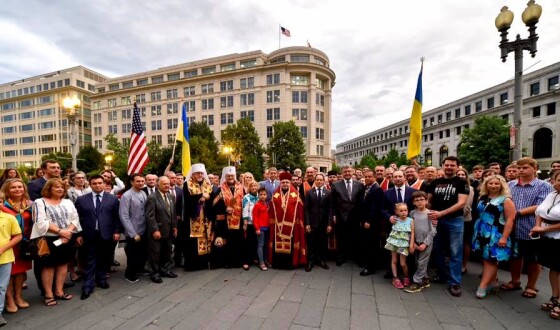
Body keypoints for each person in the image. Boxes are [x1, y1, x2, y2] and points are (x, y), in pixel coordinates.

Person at [502, 157, 552, 298]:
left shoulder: (544, 186)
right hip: (512, 226)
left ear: (534, 169)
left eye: (525, 168)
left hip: (531, 227)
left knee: (533, 258)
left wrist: (517, 213)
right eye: (519, 168)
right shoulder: (510, 185)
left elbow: (540, 206)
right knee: (515, 255)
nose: (521, 170)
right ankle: (515, 281)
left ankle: (531, 286)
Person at [30, 178, 82, 306]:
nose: (60, 189)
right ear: (49, 188)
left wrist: (68, 232)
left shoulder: (67, 202)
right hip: (47, 240)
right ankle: (48, 294)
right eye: (56, 187)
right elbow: (40, 222)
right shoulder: (39, 202)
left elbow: (75, 218)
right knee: (48, 266)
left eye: (62, 187)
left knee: (63, 264)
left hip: (67, 238)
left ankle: (59, 291)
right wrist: (60, 232)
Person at [427, 156, 469, 297]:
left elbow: (461, 203)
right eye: (447, 165)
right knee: (437, 249)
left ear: (457, 167)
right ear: (443, 165)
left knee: (455, 252)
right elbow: (429, 201)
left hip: (454, 220)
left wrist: (441, 213)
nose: (449, 167)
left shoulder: (462, 182)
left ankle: (454, 282)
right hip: (436, 221)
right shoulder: (435, 182)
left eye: (452, 165)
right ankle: (442, 275)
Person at [74, 175, 121, 300]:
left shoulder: (112, 199)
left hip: (107, 234)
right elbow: (76, 219)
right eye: (94, 183)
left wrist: (117, 231)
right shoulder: (81, 200)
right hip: (89, 234)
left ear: (104, 184)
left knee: (104, 259)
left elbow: (116, 217)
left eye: (100, 183)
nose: (97, 185)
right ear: (89, 184)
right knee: (89, 260)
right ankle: (87, 286)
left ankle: (101, 279)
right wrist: (78, 234)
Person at [471, 175, 516, 299]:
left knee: (491, 259)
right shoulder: (483, 198)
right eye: (490, 183)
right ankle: (493, 282)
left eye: (497, 183)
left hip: (496, 233)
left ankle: (483, 286)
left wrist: (504, 237)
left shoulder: (506, 200)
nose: (493, 186)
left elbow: (510, 220)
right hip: (482, 231)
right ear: (486, 185)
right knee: (485, 258)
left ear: (502, 185)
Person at [0, 179, 32, 312]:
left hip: (24, 243)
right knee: (8, 273)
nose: (17, 189)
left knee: (20, 271)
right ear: (7, 190)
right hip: (9, 242)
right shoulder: (3, 205)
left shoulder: (29, 204)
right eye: (13, 187)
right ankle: (9, 299)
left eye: (20, 187)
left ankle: (18, 296)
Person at [532, 170, 560, 319]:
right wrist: (538, 227)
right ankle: (555, 297)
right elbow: (539, 212)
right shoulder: (552, 194)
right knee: (554, 268)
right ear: (554, 181)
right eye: (559, 180)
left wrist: (544, 228)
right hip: (549, 236)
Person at [268, 171, 307, 269]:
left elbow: (300, 209)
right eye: (283, 183)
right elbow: (271, 210)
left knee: (291, 244)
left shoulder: (296, 195)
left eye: (287, 182)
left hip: (292, 226)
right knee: (278, 243)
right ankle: (278, 263)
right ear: (280, 183)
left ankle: (290, 264)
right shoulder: (275, 195)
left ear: (290, 183)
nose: (285, 184)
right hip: (277, 226)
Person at [210, 166, 245, 268]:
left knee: (237, 241)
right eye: (228, 176)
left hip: (239, 219)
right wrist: (225, 210)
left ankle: (237, 262)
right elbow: (214, 203)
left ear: (235, 176)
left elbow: (245, 203)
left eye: (232, 176)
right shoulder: (220, 189)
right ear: (225, 177)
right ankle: (227, 262)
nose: (230, 177)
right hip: (225, 221)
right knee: (227, 241)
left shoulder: (241, 188)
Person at [329, 165, 364, 266]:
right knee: (341, 237)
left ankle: (355, 257)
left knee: (355, 237)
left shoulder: (359, 185)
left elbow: (361, 202)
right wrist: (334, 215)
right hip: (341, 216)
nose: (347, 173)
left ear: (352, 172)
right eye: (345, 172)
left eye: (349, 171)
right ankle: (341, 256)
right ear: (342, 173)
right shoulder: (335, 185)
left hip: (355, 216)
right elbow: (332, 202)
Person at [145, 176, 177, 283]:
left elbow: (173, 213)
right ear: (158, 185)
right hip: (157, 231)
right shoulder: (152, 198)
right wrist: (155, 230)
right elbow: (150, 216)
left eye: (168, 183)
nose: (167, 185)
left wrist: (175, 227)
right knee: (155, 253)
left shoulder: (170, 196)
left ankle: (165, 270)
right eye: (164, 184)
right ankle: (154, 273)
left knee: (167, 252)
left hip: (169, 231)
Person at [182, 164, 213, 271]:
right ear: (193, 174)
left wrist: (207, 198)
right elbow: (187, 201)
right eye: (197, 173)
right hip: (193, 218)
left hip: (206, 217)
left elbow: (211, 199)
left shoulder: (207, 184)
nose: (200, 175)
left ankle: (204, 262)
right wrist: (200, 198)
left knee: (206, 238)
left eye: (201, 173)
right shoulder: (187, 184)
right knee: (193, 241)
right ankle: (193, 264)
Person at [404, 191, 436, 293]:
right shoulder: (412, 213)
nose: (419, 202)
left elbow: (433, 231)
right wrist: (412, 242)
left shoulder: (430, 214)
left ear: (426, 201)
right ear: (413, 203)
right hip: (415, 241)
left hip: (426, 243)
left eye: (422, 199)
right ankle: (425, 279)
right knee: (417, 262)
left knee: (422, 262)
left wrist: (425, 243)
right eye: (416, 200)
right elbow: (409, 228)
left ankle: (417, 282)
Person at [119, 174, 148, 283]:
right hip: (133, 230)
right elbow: (124, 216)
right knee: (132, 254)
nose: (141, 183)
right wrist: (132, 233)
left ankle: (139, 269)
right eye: (138, 181)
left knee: (142, 253)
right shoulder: (127, 195)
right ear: (132, 182)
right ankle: (130, 274)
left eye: (142, 181)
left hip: (143, 229)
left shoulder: (143, 193)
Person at [358, 169, 384, 276]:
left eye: (370, 177)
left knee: (373, 244)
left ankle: (371, 267)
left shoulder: (377, 189)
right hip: (365, 221)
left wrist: (368, 220)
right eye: (366, 177)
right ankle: (368, 263)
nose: (367, 178)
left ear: (374, 177)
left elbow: (375, 207)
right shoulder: (365, 188)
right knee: (367, 243)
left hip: (372, 222)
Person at [304, 173, 331, 272]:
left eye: (321, 180)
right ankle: (310, 261)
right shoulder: (309, 192)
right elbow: (306, 209)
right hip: (312, 223)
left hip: (323, 223)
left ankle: (321, 260)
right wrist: (307, 223)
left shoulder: (328, 193)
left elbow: (330, 210)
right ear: (315, 181)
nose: (319, 181)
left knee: (322, 243)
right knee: (311, 243)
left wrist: (329, 224)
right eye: (317, 180)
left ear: (324, 181)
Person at [0, 207, 22, 326]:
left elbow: (18, 236)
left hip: (5, 258)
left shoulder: (9, 218)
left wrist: (3, 248)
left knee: (1, 287)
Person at [385, 203, 414, 289]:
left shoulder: (410, 220)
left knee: (402, 263)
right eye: (401, 211)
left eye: (405, 210)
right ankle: (395, 278)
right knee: (394, 260)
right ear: (396, 212)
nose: (404, 212)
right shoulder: (395, 220)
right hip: (394, 242)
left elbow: (412, 233)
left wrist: (411, 245)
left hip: (403, 245)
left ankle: (406, 276)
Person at [456, 168, 476, 274]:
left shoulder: (469, 188)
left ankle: (463, 265)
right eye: (458, 174)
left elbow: (467, 206)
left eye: (463, 174)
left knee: (465, 243)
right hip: (454, 218)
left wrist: (456, 215)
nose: (460, 176)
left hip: (465, 219)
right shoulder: (453, 186)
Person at [241, 181, 259, 271]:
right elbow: (245, 210)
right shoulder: (246, 197)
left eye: (255, 185)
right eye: (252, 186)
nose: (254, 187)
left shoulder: (260, 196)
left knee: (256, 242)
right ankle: (246, 261)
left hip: (259, 224)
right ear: (249, 187)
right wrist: (245, 223)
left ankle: (254, 258)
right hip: (250, 223)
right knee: (248, 242)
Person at [253, 187, 270, 271]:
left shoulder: (267, 204)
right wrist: (257, 228)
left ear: (266, 195)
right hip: (261, 228)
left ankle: (265, 259)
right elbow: (255, 218)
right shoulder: (257, 205)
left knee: (266, 245)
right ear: (258, 195)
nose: (262, 196)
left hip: (267, 228)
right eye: (261, 195)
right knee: (260, 245)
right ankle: (261, 262)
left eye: (264, 194)